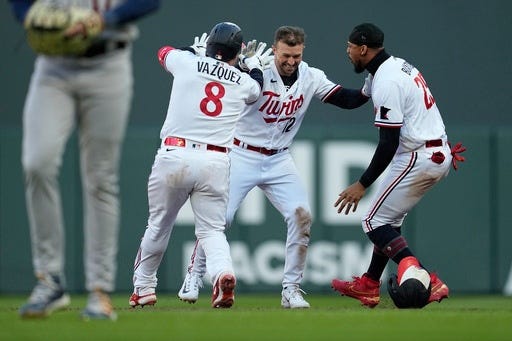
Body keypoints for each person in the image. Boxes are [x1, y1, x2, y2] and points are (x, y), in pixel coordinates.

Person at [178, 26, 372, 309]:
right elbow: (219, 79)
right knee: (220, 219)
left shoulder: (310, 76)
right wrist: (236, 64)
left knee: (301, 216)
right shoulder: (258, 68)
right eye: (285, 55)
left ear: (302, 51)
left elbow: (346, 99)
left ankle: (291, 289)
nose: (290, 61)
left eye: (296, 55)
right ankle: (194, 275)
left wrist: (369, 88)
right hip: (241, 153)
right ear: (275, 49)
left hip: (279, 158)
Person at [10, 0, 161, 320]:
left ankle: (99, 290)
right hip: (53, 66)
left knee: (101, 178)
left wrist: (105, 19)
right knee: (37, 163)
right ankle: (49, 279)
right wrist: (29, 17)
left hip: (108, 62)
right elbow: (20, 5)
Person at [128, 22, 270, 309]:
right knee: (211, 231)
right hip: (215, 161)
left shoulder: (187, 62)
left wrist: (193, 50)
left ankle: (144, 287)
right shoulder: (243, 81)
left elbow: (163, 52)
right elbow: (256, 89)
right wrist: (252, 65)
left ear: (209, 46)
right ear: (237, 52)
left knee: (158, 225)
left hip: (175, 155)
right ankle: (223, 273)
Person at [331, 23, 465, 308]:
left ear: (363, 48)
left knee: (372, 221)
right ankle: (369, 283)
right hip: (432, 151)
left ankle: (426, 278)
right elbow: (355, 99)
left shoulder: (388, 81)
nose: (348, 51)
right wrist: (315, 87)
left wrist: (362, 184)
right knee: (388, 222)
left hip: (418, 155)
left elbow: (388, 143)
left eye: (350, 46)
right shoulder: (390, 67)